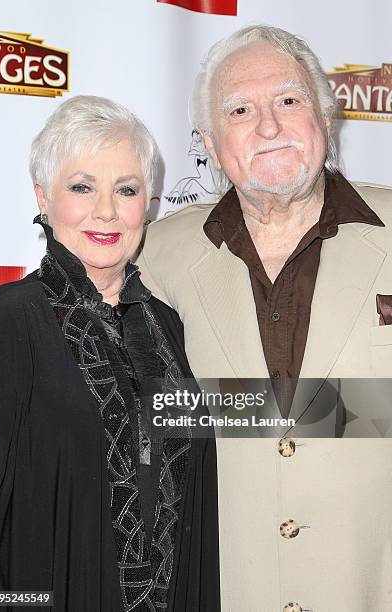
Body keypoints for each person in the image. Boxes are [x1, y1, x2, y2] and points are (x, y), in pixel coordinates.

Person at [137, 25, 392, 611]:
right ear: (208, 140)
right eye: (240, 109)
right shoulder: (154, 252)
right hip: (226, 590)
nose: (269, 126)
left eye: (288, 100)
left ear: (327, 117)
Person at [0, 96, 219, 612]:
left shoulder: (168, 325)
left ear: (150, 202)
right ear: (43, 196)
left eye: (126, 190)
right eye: (82, 187)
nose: (107, 211)